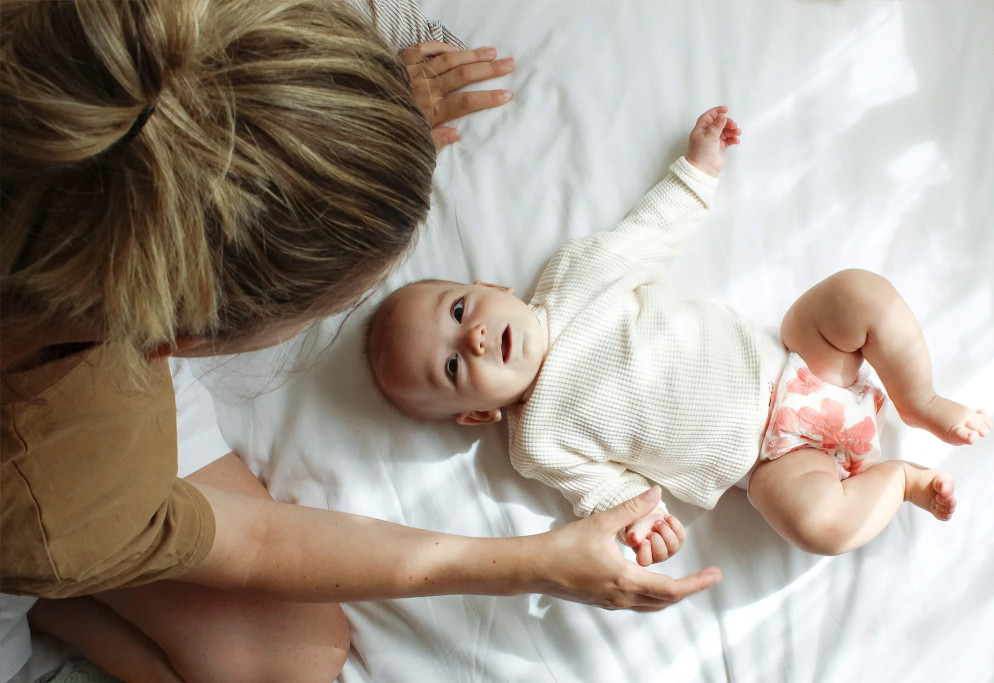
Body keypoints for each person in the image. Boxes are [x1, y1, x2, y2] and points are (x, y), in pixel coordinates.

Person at [0, 1, 722, 682]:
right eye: (449, 355)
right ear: (177, 341)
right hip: (53, 509)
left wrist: (325, 127)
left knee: (300, 651)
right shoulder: (60, 489)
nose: (474, 337)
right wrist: (534, 562)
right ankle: (45, 587)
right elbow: (254, 543)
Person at [367, 105, 994, 568]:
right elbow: (605, 492)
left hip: (796, 361)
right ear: (478, 413)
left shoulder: (571, 277)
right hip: (773, 463)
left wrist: (697, 171)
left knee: (857, 294)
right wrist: (644, 523)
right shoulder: (536, 442)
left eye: (459, 312)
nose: (473, 340)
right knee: (817, 527)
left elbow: (647, 235)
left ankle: (919, 399)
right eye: (452, 368)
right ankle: (902, 482)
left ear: (490, 287)